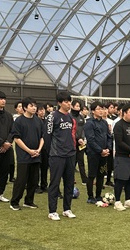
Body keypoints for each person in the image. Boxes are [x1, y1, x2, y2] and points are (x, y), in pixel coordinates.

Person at [46, 91, 78, 220]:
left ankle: (67, 209)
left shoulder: (70, 117)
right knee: (55, 183)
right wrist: (51, 152)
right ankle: (52, 211)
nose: (68, 104)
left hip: (70, 154)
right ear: (59, 103)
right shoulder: (52, 117)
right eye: (66, 101)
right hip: (57, 155)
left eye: (69, 101)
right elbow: (47, 136)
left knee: (69, 183)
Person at [9, 97, 44, 210]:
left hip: (36, 155)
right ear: (25, 107)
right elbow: (16, 138)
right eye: (31, 106)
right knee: (21, 180)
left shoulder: (38, 121)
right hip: (24, 156)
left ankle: (29, 201)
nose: (34, 108)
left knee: (34, 180)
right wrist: (29, 150)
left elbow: (42, 137)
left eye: (35, 106)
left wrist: (38, 149)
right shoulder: (19, 121)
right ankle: (14, 202)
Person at [112, 102, 130, 211]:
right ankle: (117, 201)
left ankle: (128, 200)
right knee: (120, 179)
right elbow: (119, 142)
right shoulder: (119, 125)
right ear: (124, 113)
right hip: (122, 156)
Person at [83, 102, 111, 204]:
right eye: (98, 109)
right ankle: (90, 196)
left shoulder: (104, 122)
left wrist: (108, 149)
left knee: (101, 174)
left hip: (104, 153)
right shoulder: (89, 123)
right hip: (93, 153)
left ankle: (98, 195)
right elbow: (90, 140)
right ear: (93, 111)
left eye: (102, 109)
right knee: (92, 175)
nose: (101, 111)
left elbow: (109, 136)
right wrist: (100, 150)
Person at [36, 105, 50, 194]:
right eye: (40, 110)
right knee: (37, 168)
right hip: (37, 147)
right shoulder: (35, 121)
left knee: (45, 167)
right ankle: (35, 186)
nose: (42, 112)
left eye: (43, 110)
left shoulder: (47, 121)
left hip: (46, 147)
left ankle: (44, 185)